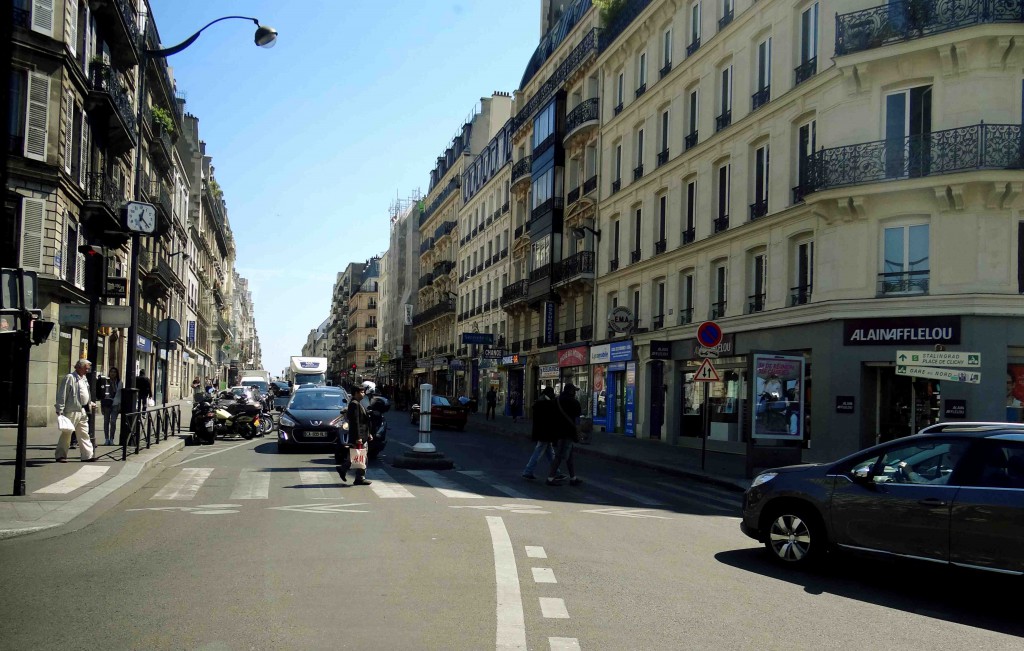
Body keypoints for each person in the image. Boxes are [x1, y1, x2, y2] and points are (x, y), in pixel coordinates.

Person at [55, 359, 97, 462]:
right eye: (86, 368)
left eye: (88, 368)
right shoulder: (70, 377)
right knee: (67, 432)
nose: (87, 370)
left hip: (82, 409)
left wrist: (89, 403)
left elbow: (84, 394)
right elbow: (62, 393)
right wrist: (59, 408)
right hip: (72, 409)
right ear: (79, 367)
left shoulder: (84, 378)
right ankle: (61, 455)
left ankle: (87, 455)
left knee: (83, 433)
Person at [547, 383, 582, 486]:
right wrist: (578, 432)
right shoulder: (574, 402)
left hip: (557, 431)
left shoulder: (556, 401)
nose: (575, 392)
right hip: (567, 432)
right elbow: (577, 419)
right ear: (571, 391)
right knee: (559, 455)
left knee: (569, 456)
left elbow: (551, 415)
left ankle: (573, 478)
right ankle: (550, 478)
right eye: (574, 391)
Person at [338, 384, 373, 486]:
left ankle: (345, 470)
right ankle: (358, 477)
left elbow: (363, 421)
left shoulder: (358, 403)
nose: (364, 394)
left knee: (357, 456)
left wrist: (369, 433)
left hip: (362, 435)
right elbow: (355, 422)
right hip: (359, 436)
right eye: (362, 392)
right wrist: (358, 438)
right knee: (361, 457)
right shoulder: (354, 404)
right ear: (356, 393)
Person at [522, 387, 559, 480]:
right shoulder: (546, 404)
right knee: (538, 452)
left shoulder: (539, 403)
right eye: (552, 393)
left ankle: (557, 471)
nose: (553, 394)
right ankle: (528, 471)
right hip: (545, 433)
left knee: (550, 453)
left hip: (542, 432)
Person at [103, 367, 122, 446]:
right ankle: (106, 439)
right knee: (106, 421)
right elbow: (102, 393)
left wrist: (120, 404)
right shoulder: (106, 381)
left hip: (115, 404)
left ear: (117, 374)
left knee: (113, 422)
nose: (113, 373)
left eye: (114, 372)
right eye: (111, 372)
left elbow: (120, 394)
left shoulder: (119, 382)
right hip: (107, 404)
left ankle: (111, 439)